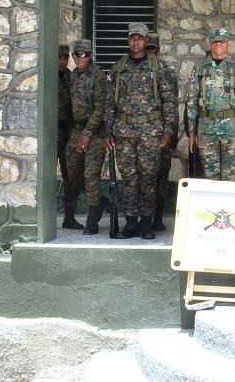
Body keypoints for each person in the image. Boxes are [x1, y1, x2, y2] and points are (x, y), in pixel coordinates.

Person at [105, 23, 176, 240]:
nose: (135, 42)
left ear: (146, 40)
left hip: (150, 131)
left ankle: (146, 224)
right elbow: (110, 102)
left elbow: (169, 101)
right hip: (124, 132)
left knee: (148, 179)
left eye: (139, 38)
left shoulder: (159, 67)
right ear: (128, 40)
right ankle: (131, 224)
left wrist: (168, 130)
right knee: (129, 179)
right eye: (132, 38)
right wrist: (108, 131)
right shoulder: (119, 67)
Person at [186, 27, 235, 181]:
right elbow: (192, 100)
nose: (218, 43)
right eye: (215, 41)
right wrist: (191, 131)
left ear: (229, 43)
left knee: (229, 178)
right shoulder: (200, 68)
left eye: (222, 41)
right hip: (206, 129)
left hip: (232, 130)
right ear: (209, 43)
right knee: (210, 178)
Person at [66, 39, 111, 235]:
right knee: (72, 171)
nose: (79, 58)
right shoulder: (74, 75)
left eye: (83, 54)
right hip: (77, 130)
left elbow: (101, 108)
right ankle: (100, 201)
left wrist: (87, 133)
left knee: (91, 174)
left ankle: (92, 220)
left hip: (95, 132)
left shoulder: (98, 76)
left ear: (90, 55)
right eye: (76, 54)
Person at [145, 33, 178, 232]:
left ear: (158, 49)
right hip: (142, 133)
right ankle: (143, 218)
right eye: (147, 48)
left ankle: (157, 216)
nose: (150, 52)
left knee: (161, 176)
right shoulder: (136, 68)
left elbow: (173, 103)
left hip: (162, 132)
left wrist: (172, 132)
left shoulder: (166, 70)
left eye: (153, 48)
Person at [57, 44, 81, 230]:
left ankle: (69, 217)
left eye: (65, 57)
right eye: (59, 57)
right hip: (51, 132)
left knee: (71, 176)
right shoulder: (45, 78)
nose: (63, 61)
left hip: (68, 132)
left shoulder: (71, 77)